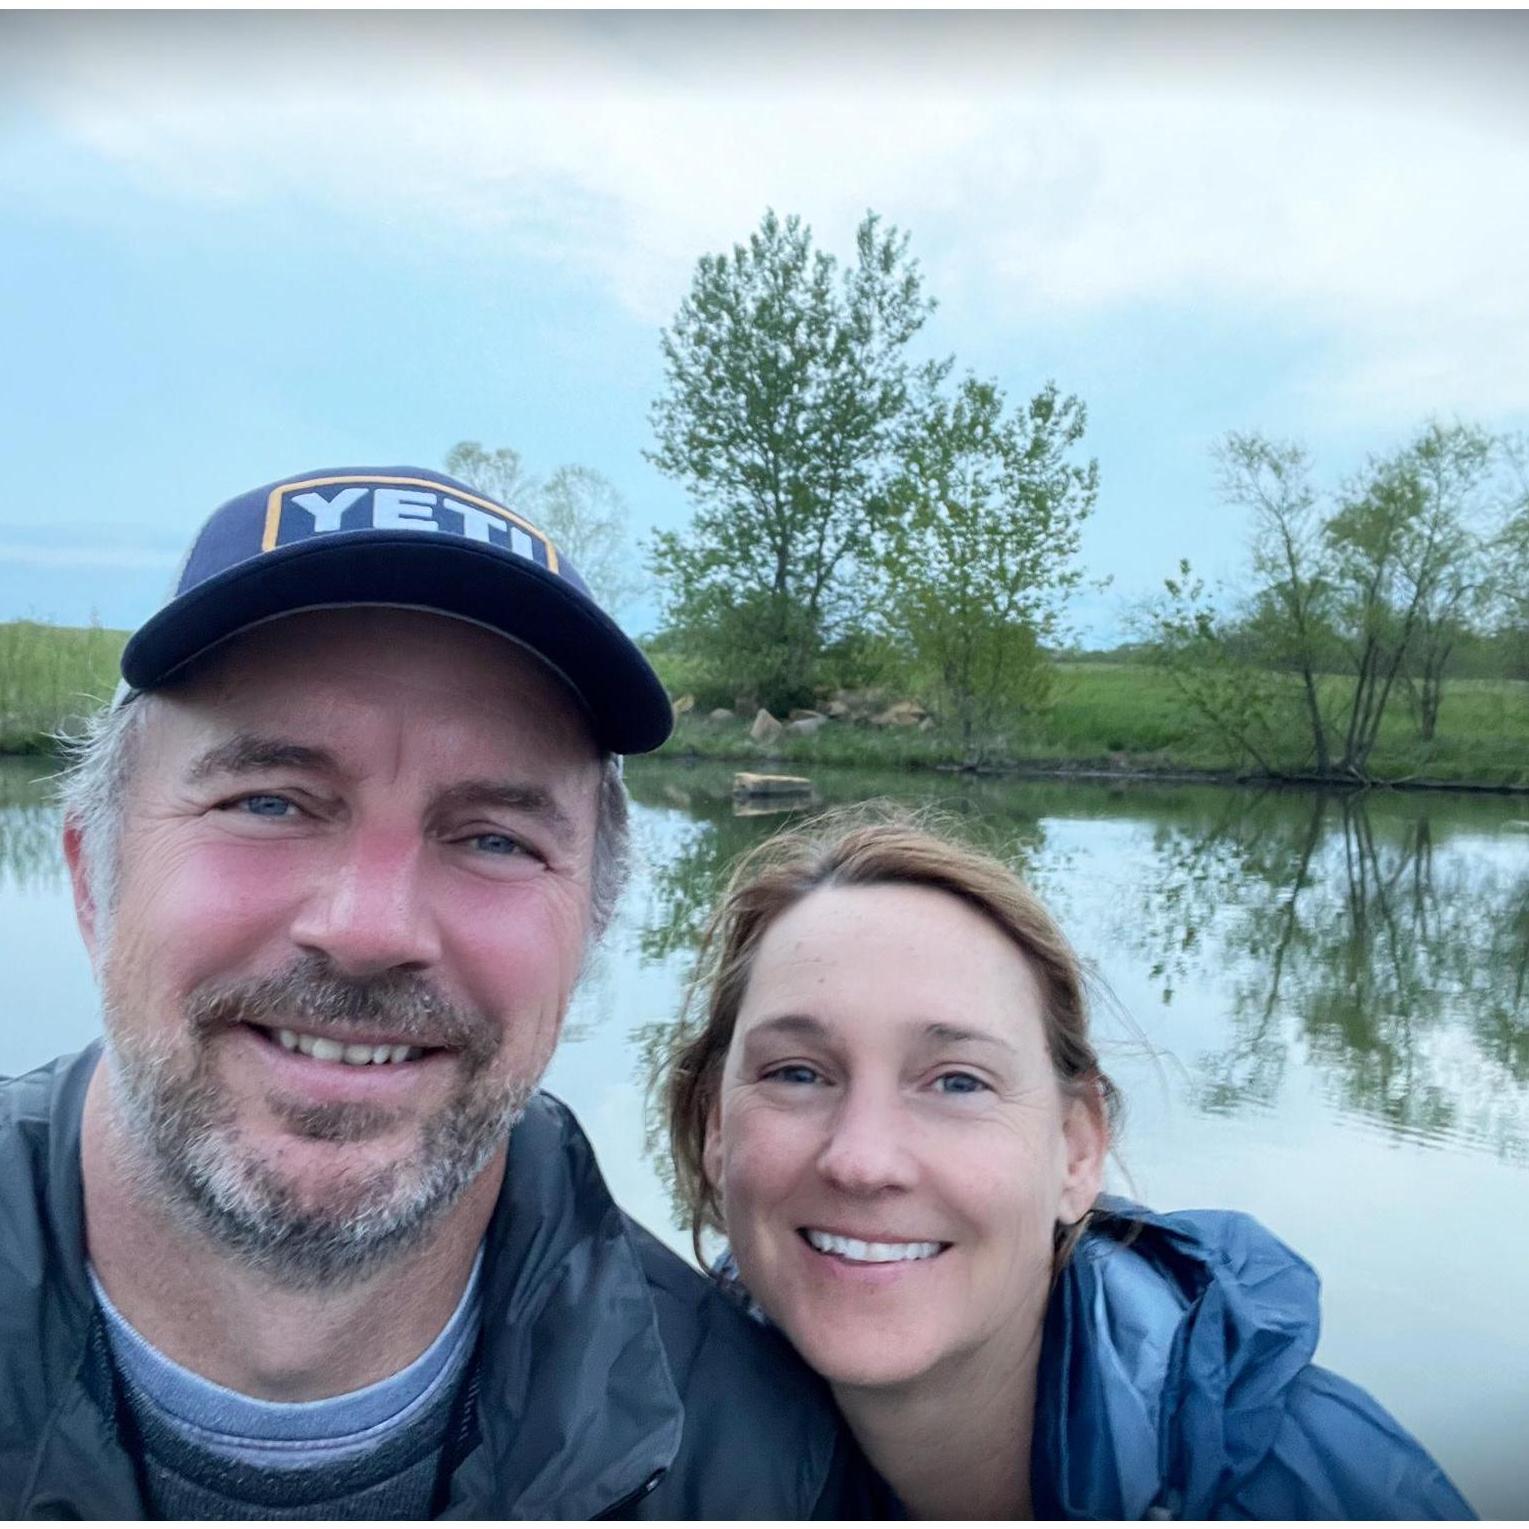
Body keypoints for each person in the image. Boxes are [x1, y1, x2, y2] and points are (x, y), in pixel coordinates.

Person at [0, 466, 886, 1518]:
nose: (371, 928)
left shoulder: (760, 1463)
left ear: (589, 927)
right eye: (272, 801)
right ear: (93, 879)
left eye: (493, 837)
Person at [664, 806, 1476, 1520]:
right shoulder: (640, 1454)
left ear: (1078, 1149)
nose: (862, 1159)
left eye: (956, 1081)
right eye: (796, 1073)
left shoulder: (1323, 1492)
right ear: (714, 1125)